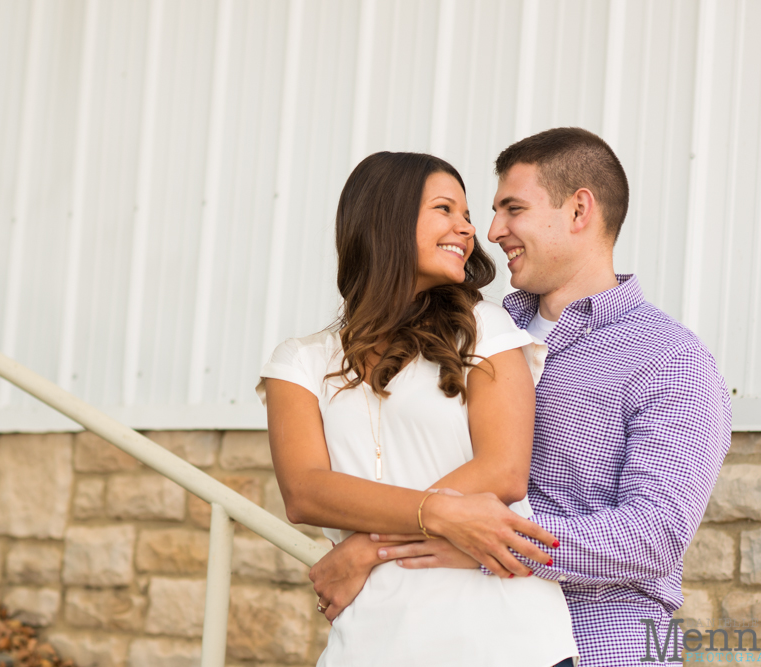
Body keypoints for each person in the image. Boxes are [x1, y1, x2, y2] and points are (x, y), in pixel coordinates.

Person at [309, 128, 732, 666]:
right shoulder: (471, 330)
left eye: (513, 209)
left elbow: (653, 536)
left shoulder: (668, 358)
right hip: (459, 640)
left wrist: (472, 543)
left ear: (579, 210)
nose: (491, 230)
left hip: (602, 645)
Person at [257, 151, 578, 666]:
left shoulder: (485, 329)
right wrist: (443, 513)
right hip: (368, 645)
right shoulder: (300, 362)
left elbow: (504, 471)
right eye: (446, 209)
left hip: (505, 639)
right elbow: (305, 492)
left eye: (467, 215)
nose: (467, 229)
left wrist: (366, 548)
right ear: (387, 218)